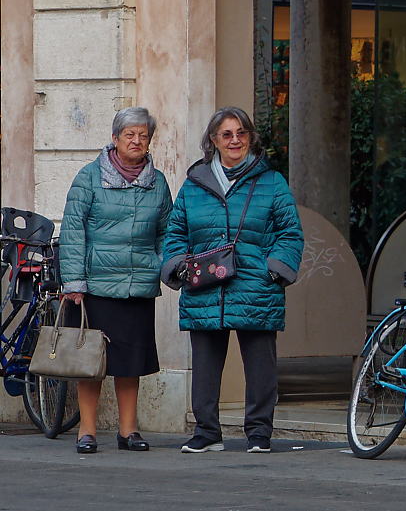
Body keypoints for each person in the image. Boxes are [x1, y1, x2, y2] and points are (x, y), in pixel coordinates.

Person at [162, 107, 303, 454]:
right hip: (205, 285)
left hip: (256, 286)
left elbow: (290, 233)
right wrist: (179, 265)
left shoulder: (271, 182)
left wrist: (274, 270)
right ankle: (206, 432)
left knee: (260, 367)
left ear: (250, 138)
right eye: (226, 134)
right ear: (213, 140)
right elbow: (175, 232)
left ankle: (259, 434)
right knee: (206, 365)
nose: (235, 140)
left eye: (241, 133)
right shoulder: (194, 185)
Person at [57, 108, 174, 455]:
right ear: (115, 138)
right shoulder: (89, 177)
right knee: (90, 362)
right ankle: (87, 430)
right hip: (94, 287)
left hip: (138, 284)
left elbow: (167, 231)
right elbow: (73, 231)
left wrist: (160, 265)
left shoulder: (158, 182)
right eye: (129, 135)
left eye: (143, 135)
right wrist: (74, 281)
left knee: (131, 362)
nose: (137, 141)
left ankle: (128, 430)